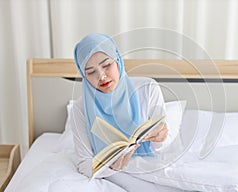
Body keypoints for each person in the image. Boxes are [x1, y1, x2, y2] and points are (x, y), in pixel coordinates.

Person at [72, 33, 171, 178]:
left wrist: (161, 138)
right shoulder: (80, 109)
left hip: (151, 170)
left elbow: (164, 150)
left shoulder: (147, 88)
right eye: (91, 72)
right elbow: (84, 164)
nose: (101, 76)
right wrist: (111, 167)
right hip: (109, 178)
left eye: (106, 65)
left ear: (118, 60)